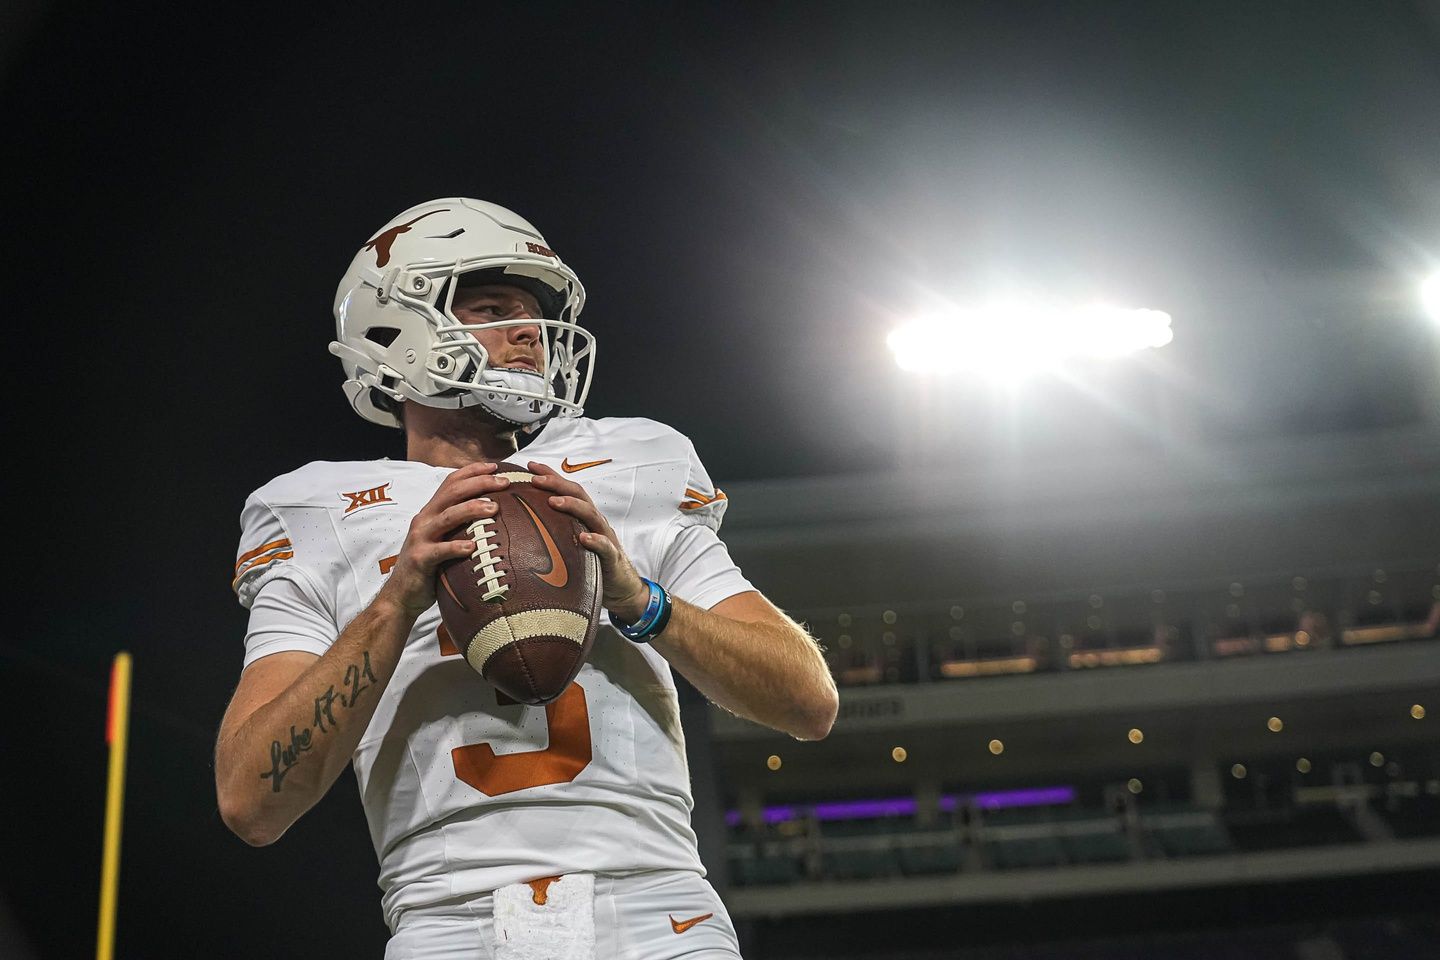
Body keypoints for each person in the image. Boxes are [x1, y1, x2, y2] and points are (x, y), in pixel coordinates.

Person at [214, 197, 838, 960]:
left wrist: (640, 602)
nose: (527, 335)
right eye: (491, 307)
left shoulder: (632, 464)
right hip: (451, 919)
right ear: (396, 330)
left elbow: (809, 700)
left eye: (532, 313)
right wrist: (398, 597)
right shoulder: (317, 512)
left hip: (657, 906)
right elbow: (251, 800)